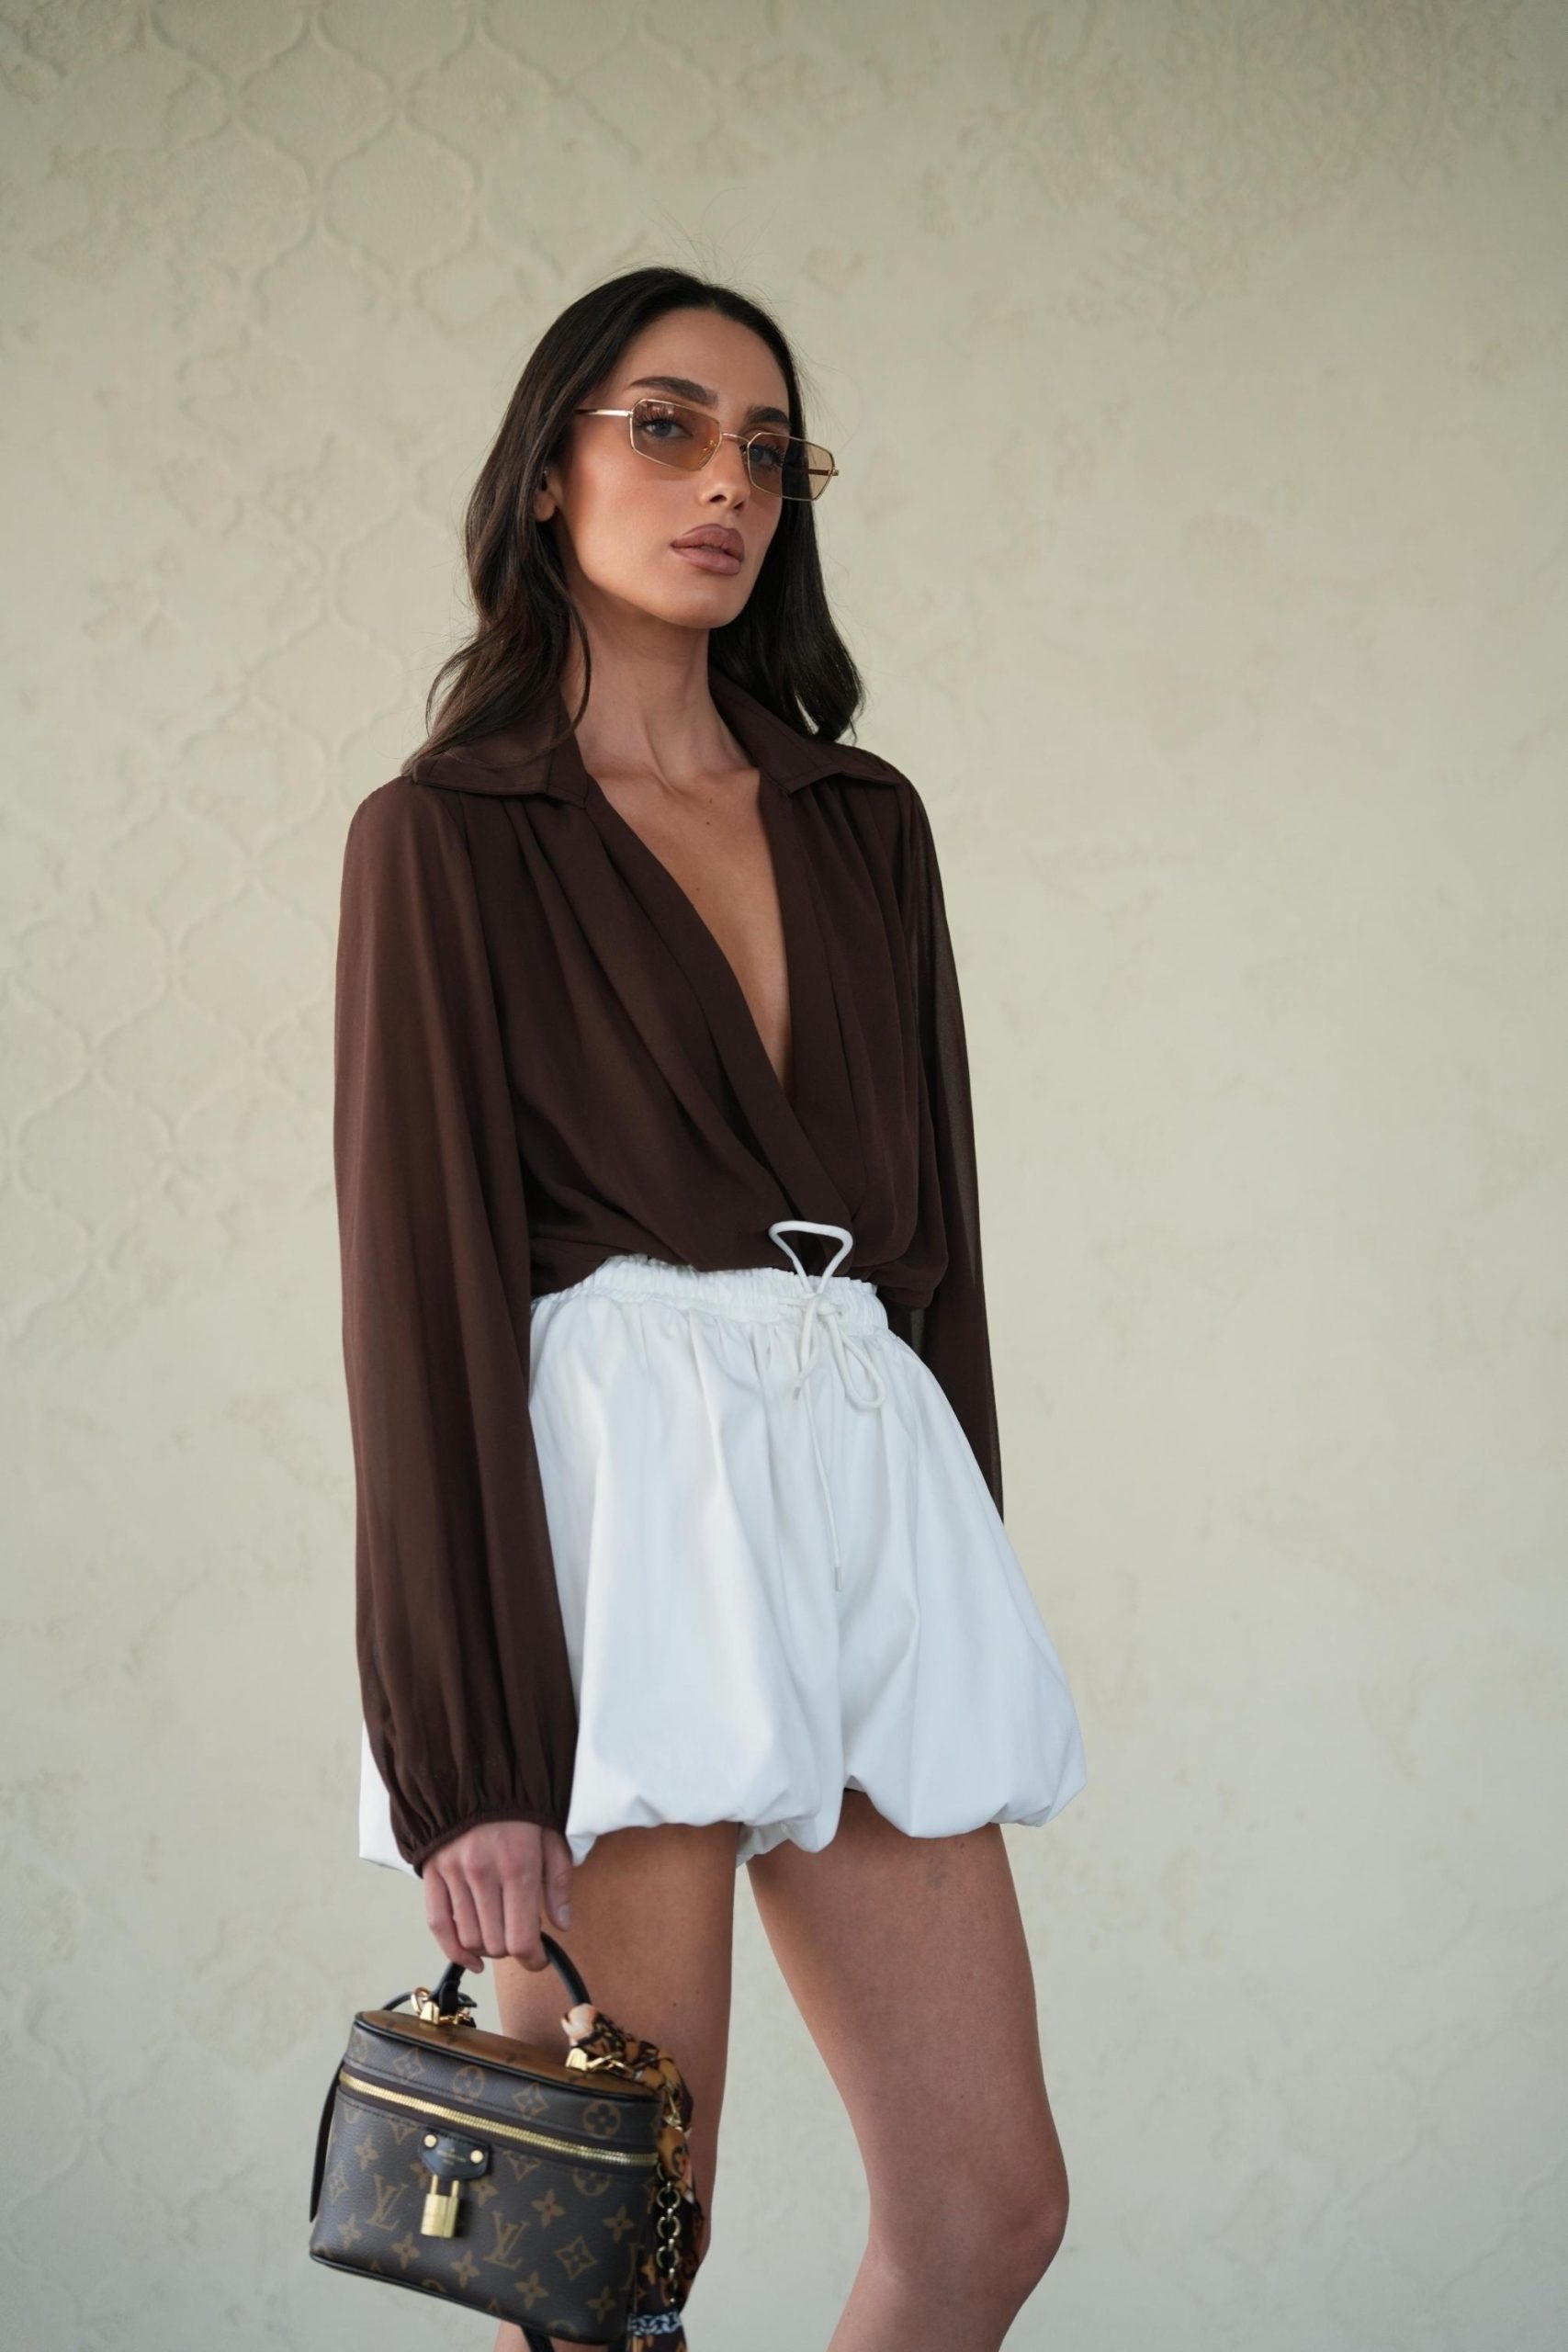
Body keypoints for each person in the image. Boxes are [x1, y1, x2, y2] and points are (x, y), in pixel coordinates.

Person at [332, 264, 1088, 2352]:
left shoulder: (861, 824)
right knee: (603, 2258)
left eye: (766, 448)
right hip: (627, 1524)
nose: (725, 483)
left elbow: (933, 1264)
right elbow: (418, 1311)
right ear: (546, 469)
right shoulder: (445, 840)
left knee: (988, 2206)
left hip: (864, 1493)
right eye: (664, 427)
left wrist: (958, 1577)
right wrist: (469, 1757)